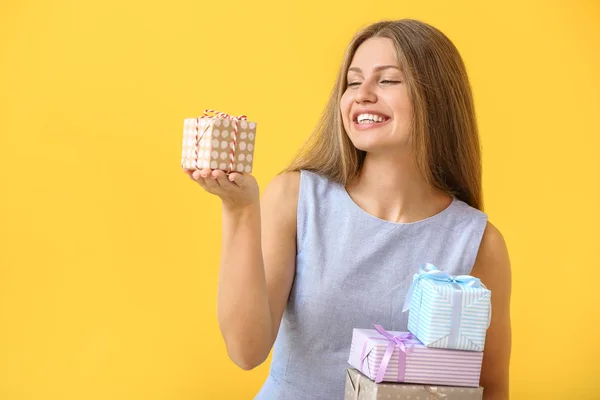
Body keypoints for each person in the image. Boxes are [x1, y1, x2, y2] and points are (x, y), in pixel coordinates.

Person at [184, 18, 512, 400]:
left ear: (435, 95)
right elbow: (245, 350)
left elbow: (490, 386)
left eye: (387, 80)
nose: (363, 94)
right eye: (353, 82)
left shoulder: (478, 242)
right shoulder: (297, 197)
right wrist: (239, 210)